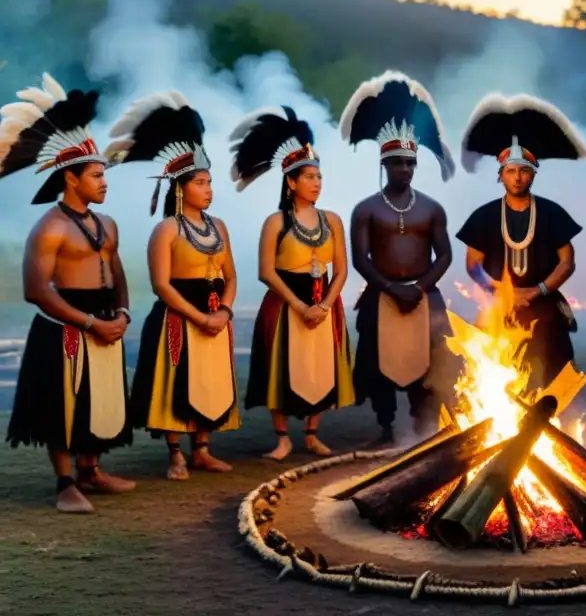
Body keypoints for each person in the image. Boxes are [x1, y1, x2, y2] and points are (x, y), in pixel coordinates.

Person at [2, 73, 134, 513]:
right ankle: (65, 484)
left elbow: (117, 274)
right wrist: (91, 323)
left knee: (100, 399)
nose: (104, 182)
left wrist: (121, 316)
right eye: (96, 175)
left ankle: (91, 470)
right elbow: (36, 290)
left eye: (104, 175)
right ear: (71, 180)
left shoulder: (107, 224)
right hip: (64, 322)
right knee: (62, 404)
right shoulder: (49, 228)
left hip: (103, 318)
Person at [105, 91, 241, 479]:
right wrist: (199, 316)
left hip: (217, 312)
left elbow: (231, 275)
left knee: (210, 381)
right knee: (175, 380)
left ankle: (202, 449)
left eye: (210, 182)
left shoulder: (220, 227)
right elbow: (161, 284)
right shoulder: (165, 230)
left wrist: (225, 311)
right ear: (181, 188)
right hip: (179, 315)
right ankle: (176, 455)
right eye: (201, 182)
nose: (209, 189)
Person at [230, 106, 354, 460]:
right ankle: (283, 438)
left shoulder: (332, 220)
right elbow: (266, 272)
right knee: (280, 368)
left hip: (325, 300)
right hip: (285, 302)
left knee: (320, 367)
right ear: (291, 182)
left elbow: (342, 269)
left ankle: (313, 435)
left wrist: (325, 305)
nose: (317, 182)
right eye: (309, 177)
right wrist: (300, 306)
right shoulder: (275, 222)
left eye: (319, 177)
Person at [341, 71, 458, 445]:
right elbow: (360, 258)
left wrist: (420, 288)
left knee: (432, 361)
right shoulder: (366, 210)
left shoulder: (432, 208)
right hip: (381, 294)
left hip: (425, 296)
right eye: (397, 164)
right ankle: (386, 427)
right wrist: (391, 288)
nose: (404, 169)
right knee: (378, 365)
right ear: (384, 166)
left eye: (410, 163)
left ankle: (424, 427)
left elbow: (445, 255)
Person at [456, 92, 586, 390]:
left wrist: (537, 290)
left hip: (544, 307)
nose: (517, 177)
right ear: (501, 175)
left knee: (551, 372)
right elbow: (473, 265)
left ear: (532, 175)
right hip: (499, 307)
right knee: (495, 372)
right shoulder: (484, 216)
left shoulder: (552, 213)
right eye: (511, 171)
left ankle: (550, 422)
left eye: (524, 172)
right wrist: (501, 291)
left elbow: (568, 262)